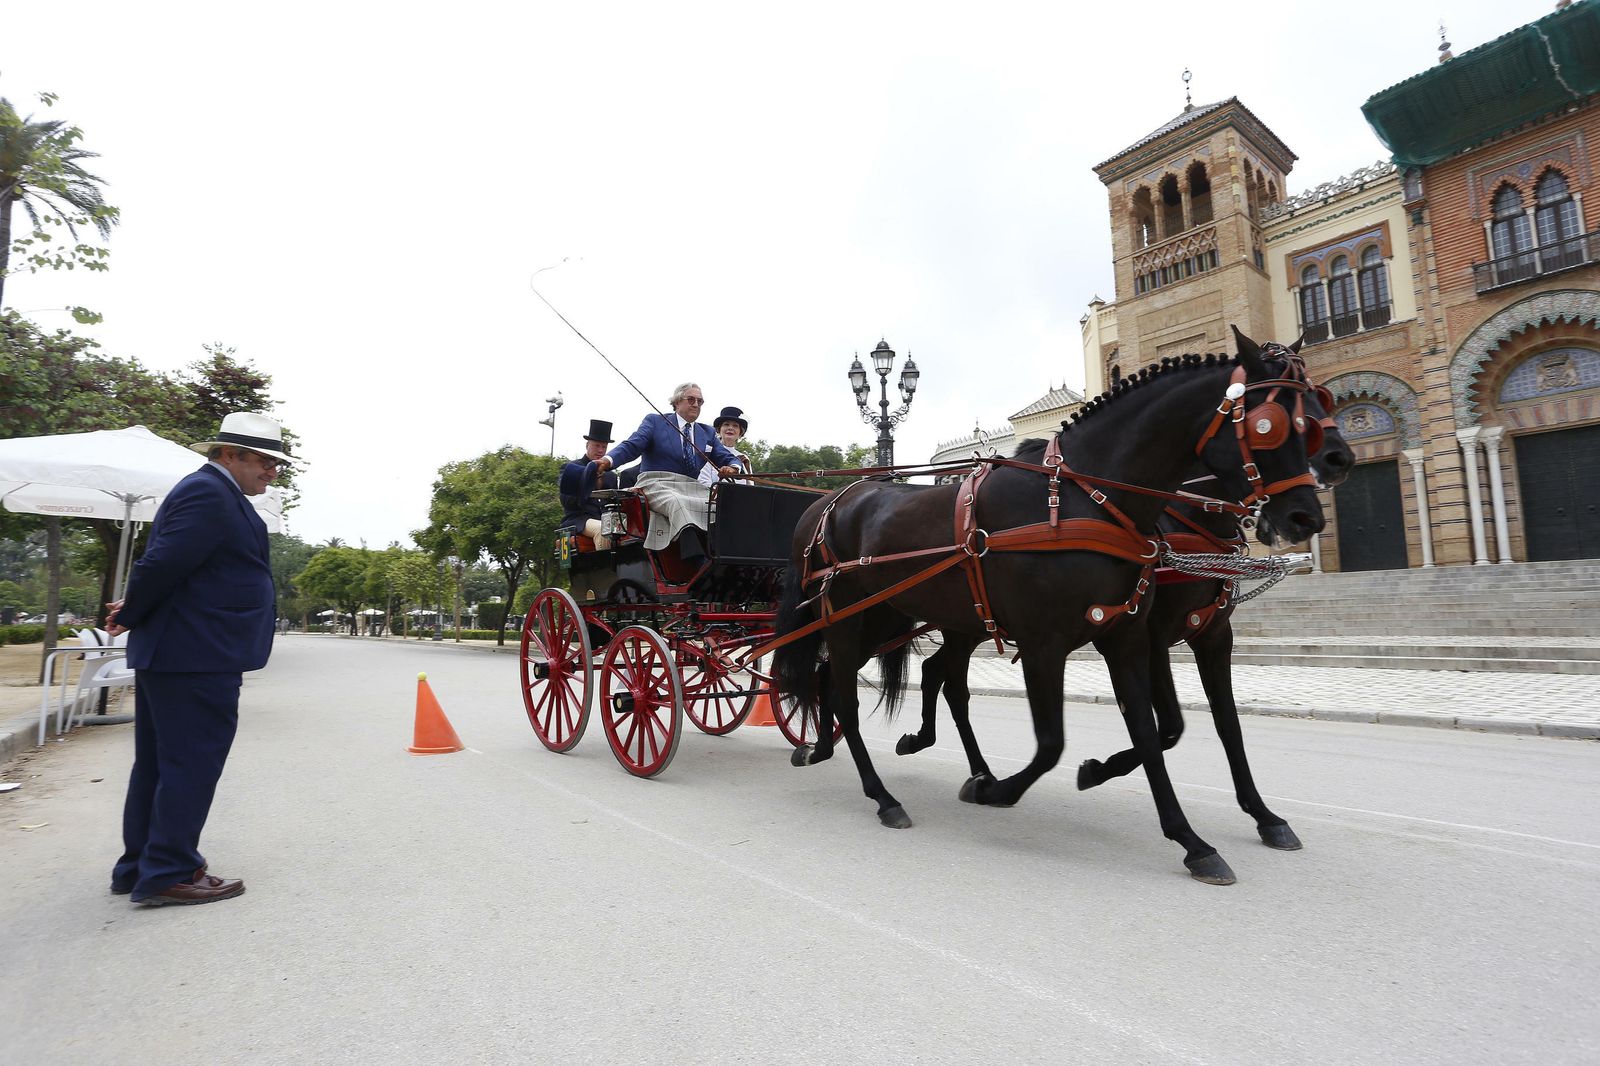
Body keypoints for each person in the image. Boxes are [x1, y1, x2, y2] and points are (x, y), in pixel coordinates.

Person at [104, 412, 288, 907]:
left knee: (162, 764)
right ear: (230, 454)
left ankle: (142, 863)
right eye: (266, 461)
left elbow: (173, 563)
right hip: (197, 653)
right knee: (190, 763)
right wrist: (134, 609)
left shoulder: (210, 491)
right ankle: (168, 869)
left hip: (185, 650)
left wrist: (134, 608)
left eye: (276, 463)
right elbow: (163, 561)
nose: (273, 472)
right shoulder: (209, 493)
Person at [595, 383, 739, 571]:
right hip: (655, 483)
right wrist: (608, 460)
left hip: (691, 486)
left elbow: (727, 456)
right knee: (677, 502)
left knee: (722, 505)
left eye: (700, 401)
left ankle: (724, 557)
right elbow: (632, 445)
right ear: (677, 402)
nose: (696, 404)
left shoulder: (707, 433)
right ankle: (697, 562)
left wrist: (733, 467)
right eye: (691, 399)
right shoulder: (656, 422)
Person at [558, 419, 618, 548]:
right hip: (579, 520)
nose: (601, 450)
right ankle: (605, 567)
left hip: (606, 519)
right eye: (597, 445)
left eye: (604, 447)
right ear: (587, 445)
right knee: (604, 529)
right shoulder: (572, 468)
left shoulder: (611, 476)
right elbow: (567, 502)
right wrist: (589, 480)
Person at [700, 406, 752, 486]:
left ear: (740, 433)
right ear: (719, 429)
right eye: (726, 424)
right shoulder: (709, 451)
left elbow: (750, 486)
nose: (730, 428)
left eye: (735, 426)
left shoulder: (744, 458)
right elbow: (703, 482)